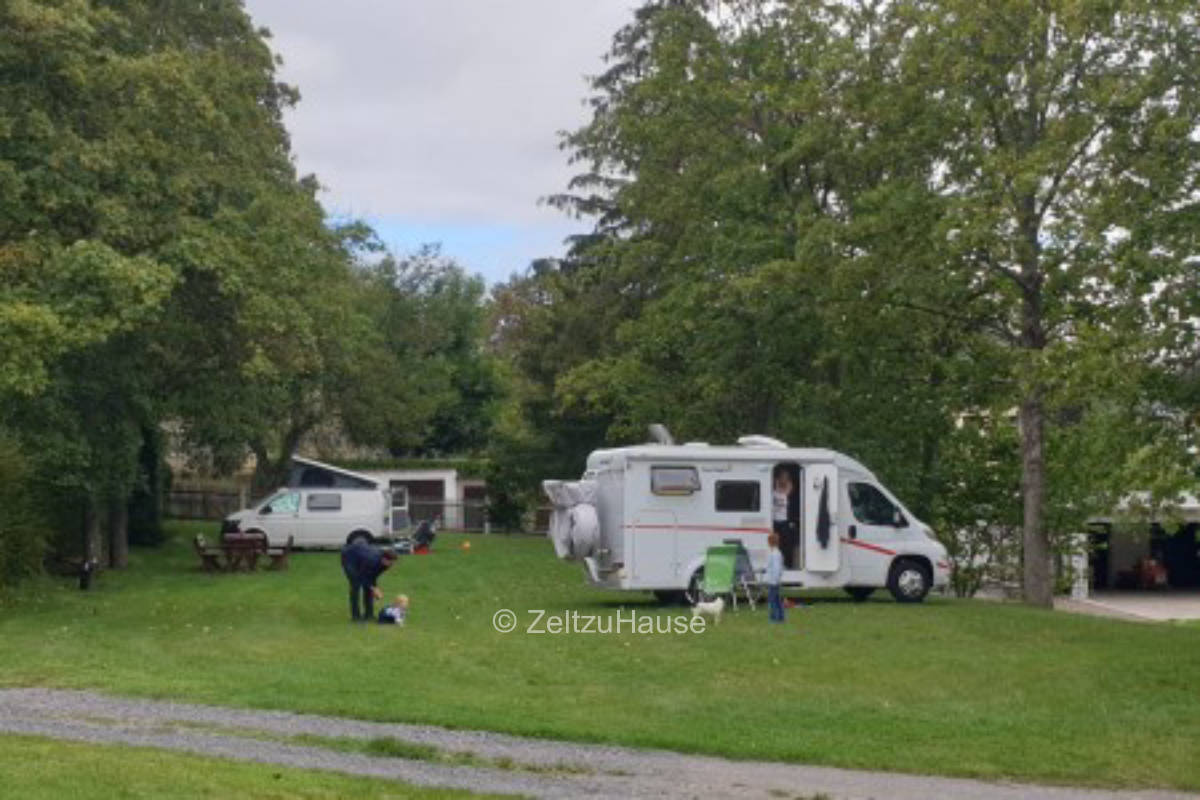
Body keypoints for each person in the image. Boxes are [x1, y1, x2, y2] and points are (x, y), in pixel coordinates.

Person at [340, 539, 397, 622]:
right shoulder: (371, 560)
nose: (392, 565)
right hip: (349, 558)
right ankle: (355, 616)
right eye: (391, 563)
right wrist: (373, 588)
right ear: (384, 559)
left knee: (368, 588)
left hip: (361, 556)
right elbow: (362, 576)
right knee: (356, 585)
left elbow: (373, 576)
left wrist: (374, 588)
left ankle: (369, 614)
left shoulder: (386, 565)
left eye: (393, 563)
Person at [765, 531, 785, 623]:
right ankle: (781, 617)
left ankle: (774, 618)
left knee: (772, 601)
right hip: (775, 580)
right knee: (777, 600)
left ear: (770, 542)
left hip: (774, 581)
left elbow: (776, 568)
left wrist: (775, 580)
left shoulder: (775, 554)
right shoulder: (776, 552)